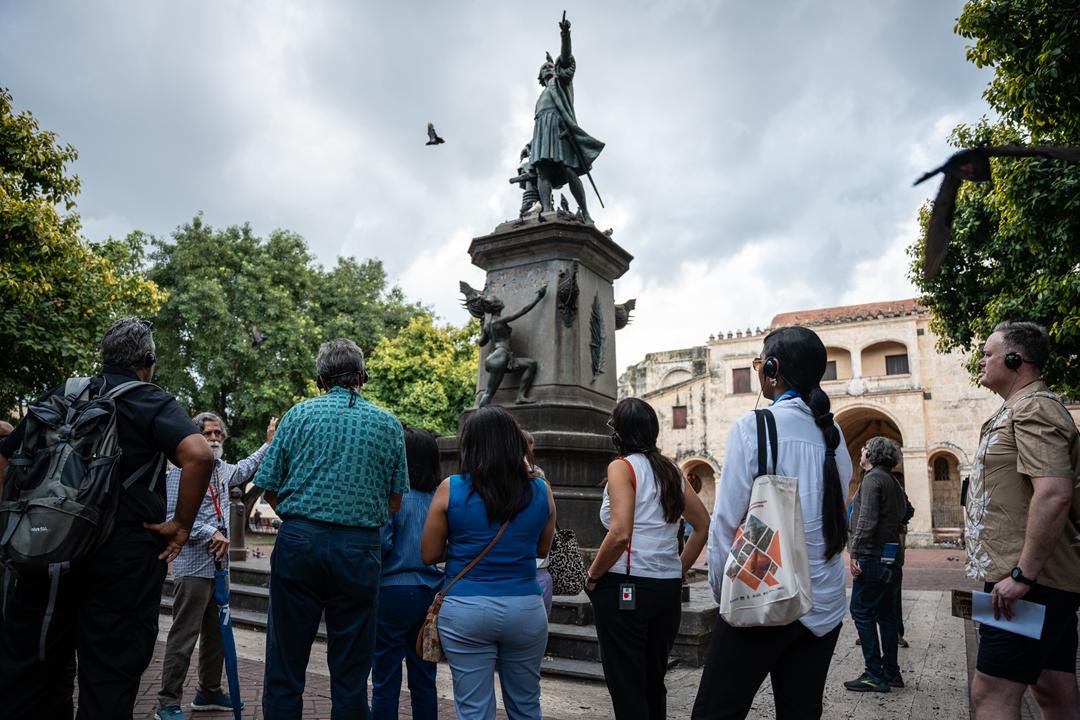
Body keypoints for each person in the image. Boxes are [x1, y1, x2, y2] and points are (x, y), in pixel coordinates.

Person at [0, 317, 214, 718]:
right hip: (121, 558)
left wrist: (14, 523)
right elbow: (199, 455)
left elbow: (6, 455)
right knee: (109, 679)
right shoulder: (150, 399)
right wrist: (180, 526)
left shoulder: (66, 394)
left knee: (34, 672)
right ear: (147, 360)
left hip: (44, 552)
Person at [691, 326, 852, 720]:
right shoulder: (834, 434)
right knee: (801, 711)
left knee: (716, 711)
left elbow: (725, 523)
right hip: (824, 604)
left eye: (760, 364)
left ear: (772, 370)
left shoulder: (754, 427)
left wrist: (723, 591)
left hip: (762, 593)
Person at [253, 338, 408, 720]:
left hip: (299, 542)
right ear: (362, 377)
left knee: (285, 662)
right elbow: (395, 500)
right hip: (359, 548)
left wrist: (301, 518)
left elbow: (268, 484)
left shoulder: (297, 416)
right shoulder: (388, 424)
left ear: (320, 379)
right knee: (352, 669)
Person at [964, 321, 1080, 720]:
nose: (981, 361)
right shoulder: (1018, 408)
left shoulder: (1035, 408)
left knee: (991, 693)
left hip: (1027, 583)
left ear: (1015, 360)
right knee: (1053, 688)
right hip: (1031, 580)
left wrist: (1022, 575)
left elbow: (1054, 492)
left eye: (988, 354)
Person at [420, 406, 556, 720]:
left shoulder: (450, 488)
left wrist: (463, 548)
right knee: (526, 706)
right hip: (524, 607)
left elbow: (428, 553)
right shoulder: (541, 490)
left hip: (465, 609)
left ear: (470, 445)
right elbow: (542, 547)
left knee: (474, 709)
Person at [584, 398, 710, 720]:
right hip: (665, 590)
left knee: (627, 686)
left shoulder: (621, 467)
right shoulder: (671, 470)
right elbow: (702, 525)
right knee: (653, 681)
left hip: (625, 584)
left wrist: (593, 576)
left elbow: (619, 533)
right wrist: (677, 570)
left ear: (619, 432)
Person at [155, 412, 277, 720]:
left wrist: (268, 443)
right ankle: (167, 702)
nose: (213, 438)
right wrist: (211, 531)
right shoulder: (181, 471)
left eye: (217, 434)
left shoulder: (222, 469)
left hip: (219, 567)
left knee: (217, 635)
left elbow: (248, 466)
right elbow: (174, 518)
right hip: (193, 566)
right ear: (196, 437)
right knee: (184, 636)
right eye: (207, 433)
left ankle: (208, 692)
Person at [371, 427, 445, 720]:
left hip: (392, 591)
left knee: (385, 678)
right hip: (430, 594)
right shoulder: (440, 497)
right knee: (424, 678)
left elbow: (382, 542)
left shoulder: (394, 498)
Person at [844, 436, 909, 693]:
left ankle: (874, 673)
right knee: (886, 615)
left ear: (871, 454)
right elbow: (908, 510)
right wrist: (892, 525)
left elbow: (866, 520)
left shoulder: (872, 479)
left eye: (864, 448)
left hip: (871, 556)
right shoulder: (892, 480)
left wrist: (855, 552)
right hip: (890, 557)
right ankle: (892, 672)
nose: (861, 451)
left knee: (861, 611)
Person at [529, 13, 605, 223]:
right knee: (542, 170)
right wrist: (530, 144)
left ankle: (585, 213)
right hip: (542, 131)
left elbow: (565, 59)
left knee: (569, 169)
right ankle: (546, 211)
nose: (547, 69)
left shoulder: (560, 83)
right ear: (540, 77)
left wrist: (565, 35)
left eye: (549, 67)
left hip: (560, 128)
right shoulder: (541, 96)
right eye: (544, 68)